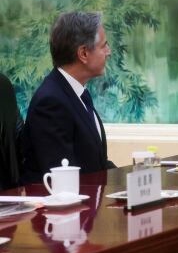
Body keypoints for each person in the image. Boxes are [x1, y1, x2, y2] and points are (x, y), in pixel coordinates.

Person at [19, 12, 115, 184]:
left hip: (90, 203)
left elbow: (97, 165)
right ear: (83, 53)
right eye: (103, 46)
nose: (109, 52)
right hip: (64, 209)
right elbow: (63, 177)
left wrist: (131, 180)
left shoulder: (78, 93)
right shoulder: (50, 102)